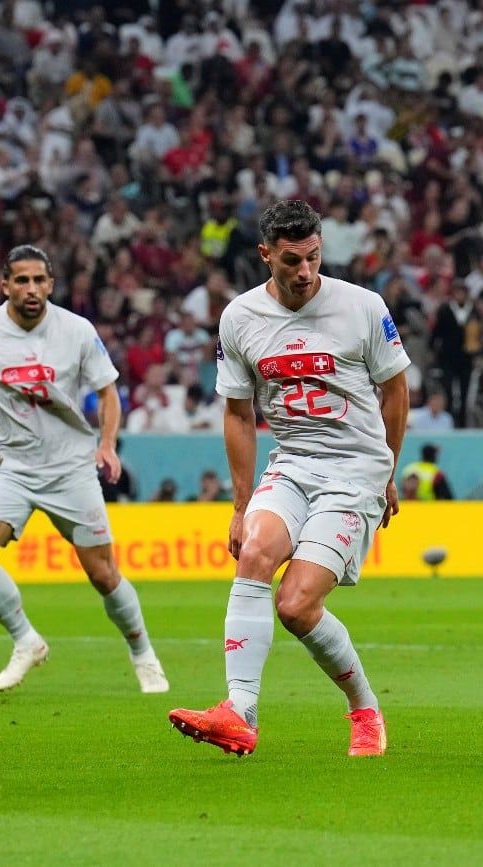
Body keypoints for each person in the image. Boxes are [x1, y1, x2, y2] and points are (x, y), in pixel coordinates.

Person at [168, 200, 410, 757]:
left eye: (314, 258)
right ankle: (239, 713)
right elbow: (236, 412)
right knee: (254, 553)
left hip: (355, 472)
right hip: (292, 462)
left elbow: (395, 391)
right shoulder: (241, 317)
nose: (305, 272)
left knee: (296, 606)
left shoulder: (363, 307)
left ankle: (365, 709)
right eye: (292, 261)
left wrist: (389, 469)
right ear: (265, 255)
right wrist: (239, 503)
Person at [0, 245, 168, 693]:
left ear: (51, 284)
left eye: (39, 280)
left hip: (72, 469)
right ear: (5, 286)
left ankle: (142, 652)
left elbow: (108, 391)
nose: (31, 289)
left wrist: (108, 445)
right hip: (12, 468)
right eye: (21, 280)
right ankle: (26, 641)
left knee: (103, 574)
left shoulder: (76, 331)